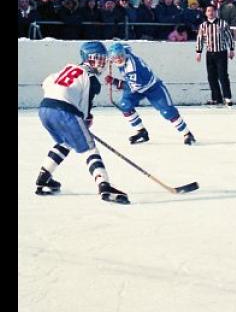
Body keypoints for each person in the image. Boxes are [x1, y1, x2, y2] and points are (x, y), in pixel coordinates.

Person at [35, 41, 129, 204]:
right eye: (97, 58)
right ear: (87, 58)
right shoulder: (91, 79)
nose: (101, 62)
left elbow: (46, 82)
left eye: (102, 59)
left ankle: (43, 178)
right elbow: (86, 107)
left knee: (65, 142)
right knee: (90, 148)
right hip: (65, 111)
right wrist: (85, 119)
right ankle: (104, 187)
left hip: (44, 109)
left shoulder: (68, 68)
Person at [105, 43, 195, 145]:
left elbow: (132, 87)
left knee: (168, 112)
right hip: (136, 86)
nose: (118, 59)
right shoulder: (126, 52)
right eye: (115, 57)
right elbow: (125, 46)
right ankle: (141, 131)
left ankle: (187, 133)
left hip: (152, 87)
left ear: (124, 54)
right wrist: (109, 57)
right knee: (125, 105)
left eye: (120, 56)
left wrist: (115, 82)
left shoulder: (133, 69)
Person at [196, 5, 236, 107]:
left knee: (223, 75)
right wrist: (198, 52)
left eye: (212, 11)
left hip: (221, 52)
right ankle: (216, 98)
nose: (210, 13)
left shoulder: (222, 23)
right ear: (205, 13)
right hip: (209, 53)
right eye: (208, 11)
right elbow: (200, 39)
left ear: (216, 12)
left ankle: (227, 97)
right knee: (211, 77)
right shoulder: (203, 26)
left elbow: (229, 37)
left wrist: (231, 49)